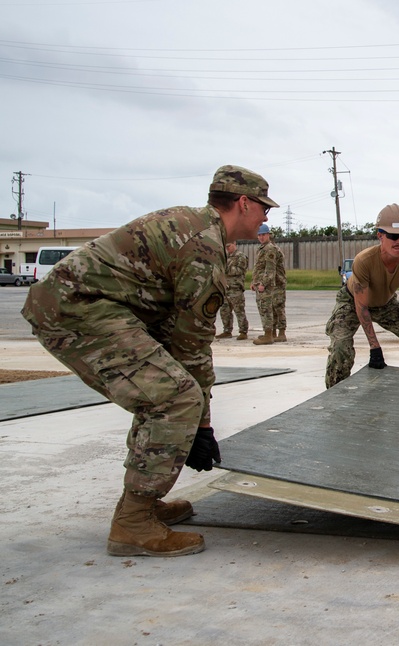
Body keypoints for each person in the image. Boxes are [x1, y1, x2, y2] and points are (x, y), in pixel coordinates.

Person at [21, 164, 278, 557]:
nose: (266, 217)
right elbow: (193, 345)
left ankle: (140, 504)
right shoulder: (204, 247)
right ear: (243, 203)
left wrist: (197, 424)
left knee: (164, 390)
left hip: (92, 307)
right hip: (77, 310)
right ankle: (134, 523)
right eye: (264, 208)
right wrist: (202, 424)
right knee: (175, 397)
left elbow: (177, 334)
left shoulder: (194, 224)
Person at [324, 204, 399, 388]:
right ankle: (335, 397)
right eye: (393, 236)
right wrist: (375, 347)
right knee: (341, 347)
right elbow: (361, 307)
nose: (398, 241)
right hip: (352, 302)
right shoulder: (364, 261)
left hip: (385, 304)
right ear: (380, 235)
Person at [251, 223, 287, 345]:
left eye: (263, 235)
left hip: (271, 284)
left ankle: (272, 334)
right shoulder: (262, 248)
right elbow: (259, 268)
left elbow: (270, 269)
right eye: (259, 235)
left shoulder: (270, 249)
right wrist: (254, 282)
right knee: (267, 308)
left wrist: (263, 283)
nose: (261, 237)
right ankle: (270, 333)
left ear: (268, 235)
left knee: (273, 308)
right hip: (264, 283)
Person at [216, 241, 250, 340]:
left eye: (229, 246)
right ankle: (227, 330)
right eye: (226, 247)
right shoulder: (226, 257)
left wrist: (225, 268)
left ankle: (243, 331)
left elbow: (239, 270)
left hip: (236, 288)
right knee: (225, 310)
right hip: (226, 288)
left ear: (234, 244)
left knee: (239, 310)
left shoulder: (241, 256)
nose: (227, 248)